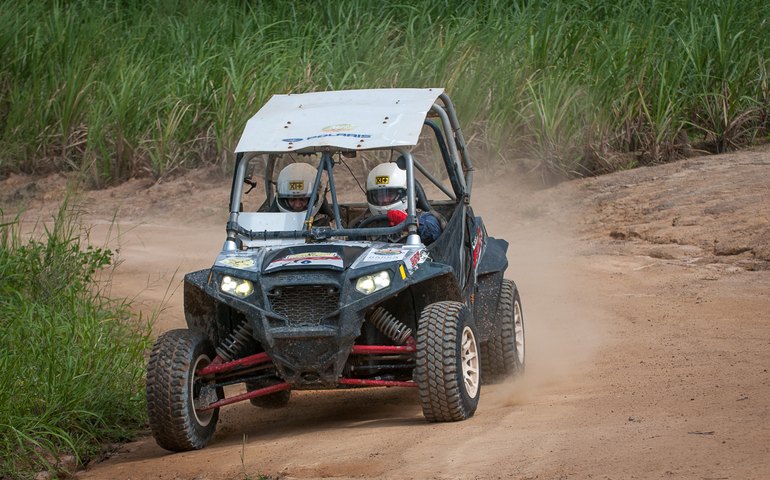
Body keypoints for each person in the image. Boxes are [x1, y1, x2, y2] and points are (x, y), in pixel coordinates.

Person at [365, 162, 442, 245]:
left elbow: (433, 232)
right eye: (379, 196)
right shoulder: (366, 222)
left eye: (390, 195)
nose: (384, 199)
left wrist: (410, 223)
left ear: (406, 193)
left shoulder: (425, 219)